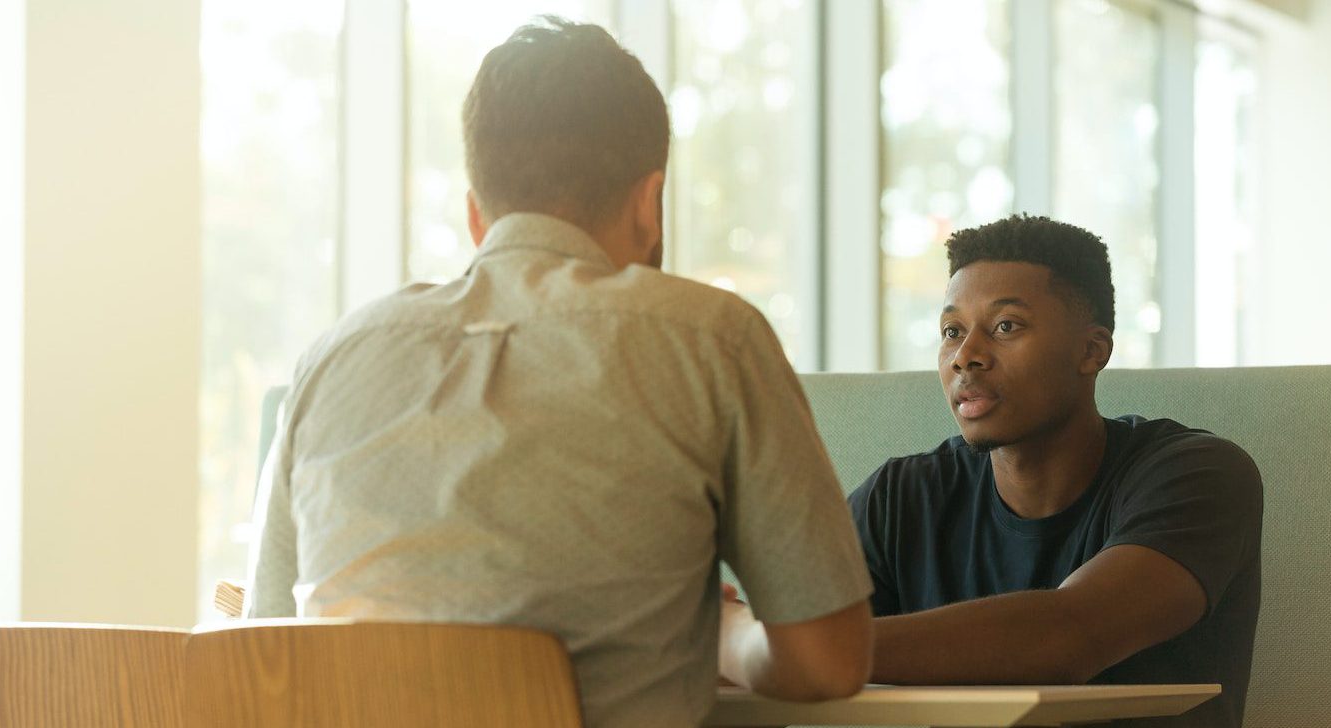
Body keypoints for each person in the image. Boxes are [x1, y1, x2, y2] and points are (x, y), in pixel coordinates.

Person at [243, 17, 872, 728]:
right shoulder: (712, 339)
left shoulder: (331, 359)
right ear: (650, 203)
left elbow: (266, 652)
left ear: (477, 216)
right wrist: (726, 636)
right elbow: (829, 662)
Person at [849, 214, 1263, 728]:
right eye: (951, 331)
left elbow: (1068, 637)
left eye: (1005, 326)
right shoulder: (900, 498)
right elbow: (766, 645)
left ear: (1092, 351)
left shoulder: (1198, 475)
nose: (965, 356)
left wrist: (793, 647)